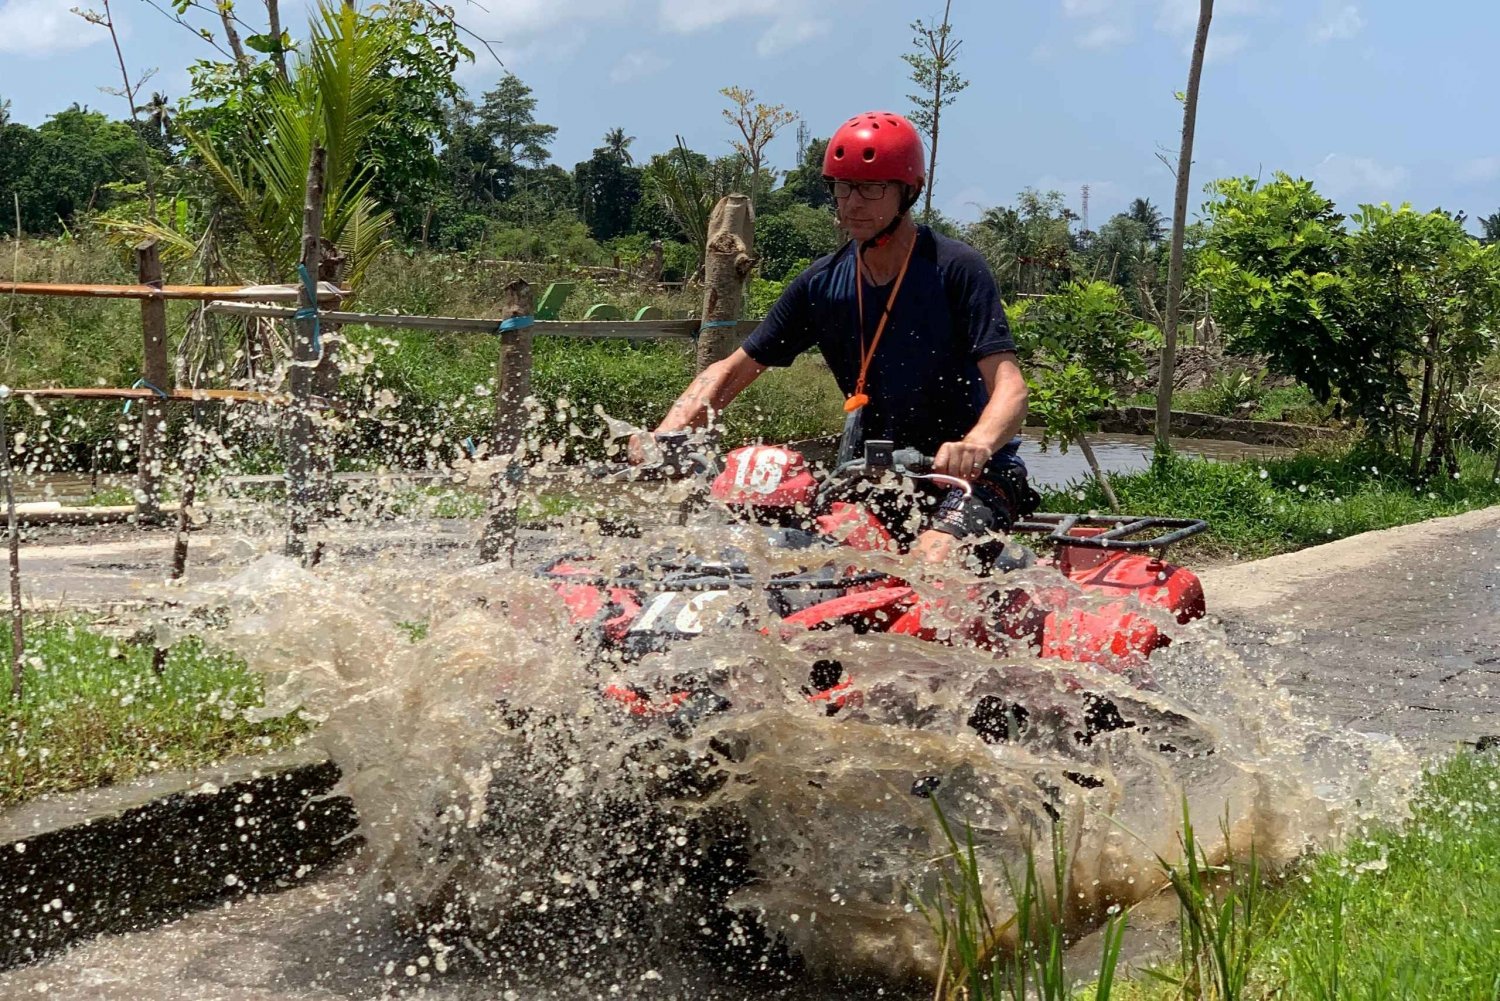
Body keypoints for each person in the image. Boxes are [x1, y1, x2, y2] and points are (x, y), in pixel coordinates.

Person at [637, 110, 1034, 563]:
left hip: (971, 476)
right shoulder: (821, 284)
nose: (852, 203)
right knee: (797, 559)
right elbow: (731, 370)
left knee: (933, 558)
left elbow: (1010, 387)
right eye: (842, 187)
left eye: (871, 187)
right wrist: (665, 434)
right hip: (871, 474)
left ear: (908, 192)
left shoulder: (954, 268)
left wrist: (977, 444)